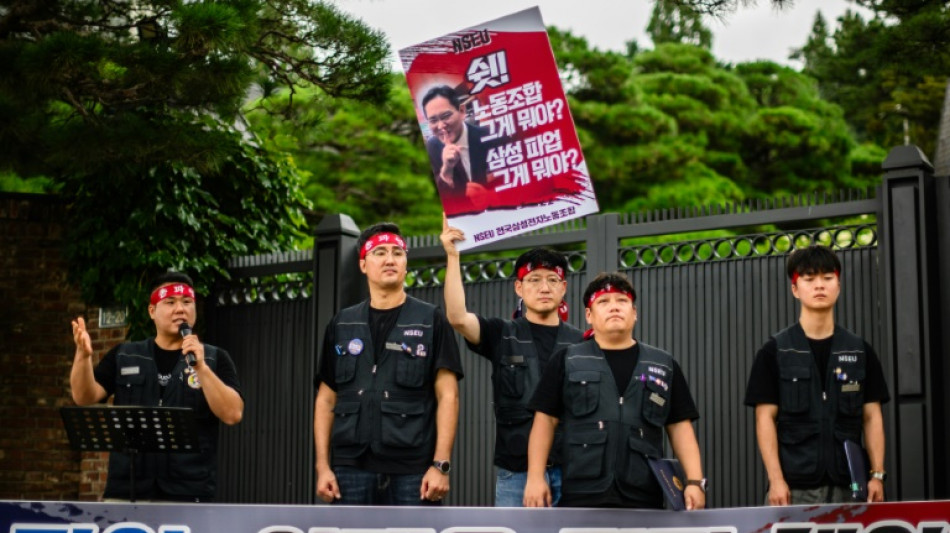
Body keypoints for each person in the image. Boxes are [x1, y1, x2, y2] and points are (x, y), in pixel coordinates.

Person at [523, 272, 706, 509]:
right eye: (603, 302)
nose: (614, 307)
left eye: (622, 301)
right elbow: (545, 421)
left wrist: (694, 481)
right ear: (589, 315)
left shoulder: (663, 364)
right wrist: (535, 478)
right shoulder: (567, 359)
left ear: (635, 313)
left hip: (644, 496)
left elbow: (680, 427)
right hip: (582, 495)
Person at [313, 222, 464, 506]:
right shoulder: (342, 323)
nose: (390, 259)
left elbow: (449, 396)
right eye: (379, 252)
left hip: (414, 470)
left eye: (398, 252)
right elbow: (325, 399)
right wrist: (323, 467)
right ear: (363, 264)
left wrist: (440, 465)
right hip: (351, 469)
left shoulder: (430, 319)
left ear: (406, 263)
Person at [441, 219, 583, 506]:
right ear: (519, 287)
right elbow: (457, 317)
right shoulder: (501, 333)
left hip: (574, 471)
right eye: (534, 280)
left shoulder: (583, 343)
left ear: (563, 287)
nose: (544, 287)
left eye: (552, 280)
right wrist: (453, 255)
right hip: (515, 474)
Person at [69, 272, 244, 502]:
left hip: (189, 495)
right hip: (127, 492)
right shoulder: (125, 355)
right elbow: (84, 396)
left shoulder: (215, 358)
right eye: (170, 302)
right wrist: (82, 356)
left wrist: (201, 368)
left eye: (187, 302)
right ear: (152, 311)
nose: (180, 309)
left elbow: (233, 414)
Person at [744, 245, 889, 505]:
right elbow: (764, 418)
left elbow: (872, 416)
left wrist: (876, 475)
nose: (819, 286)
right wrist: (776, 480)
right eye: (809, 279)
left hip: (850, 488)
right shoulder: (775, 350)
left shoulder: (858, 350)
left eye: (827, 278)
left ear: (839, 284)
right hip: (794, 490)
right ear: (795, 289)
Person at [422, 85, 499, 202]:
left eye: (446, 116)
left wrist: (491, 197)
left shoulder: (490, 137)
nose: (441, 126)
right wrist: (447, 170)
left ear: (462, 111)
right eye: (433, 120)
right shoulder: (431, 148)